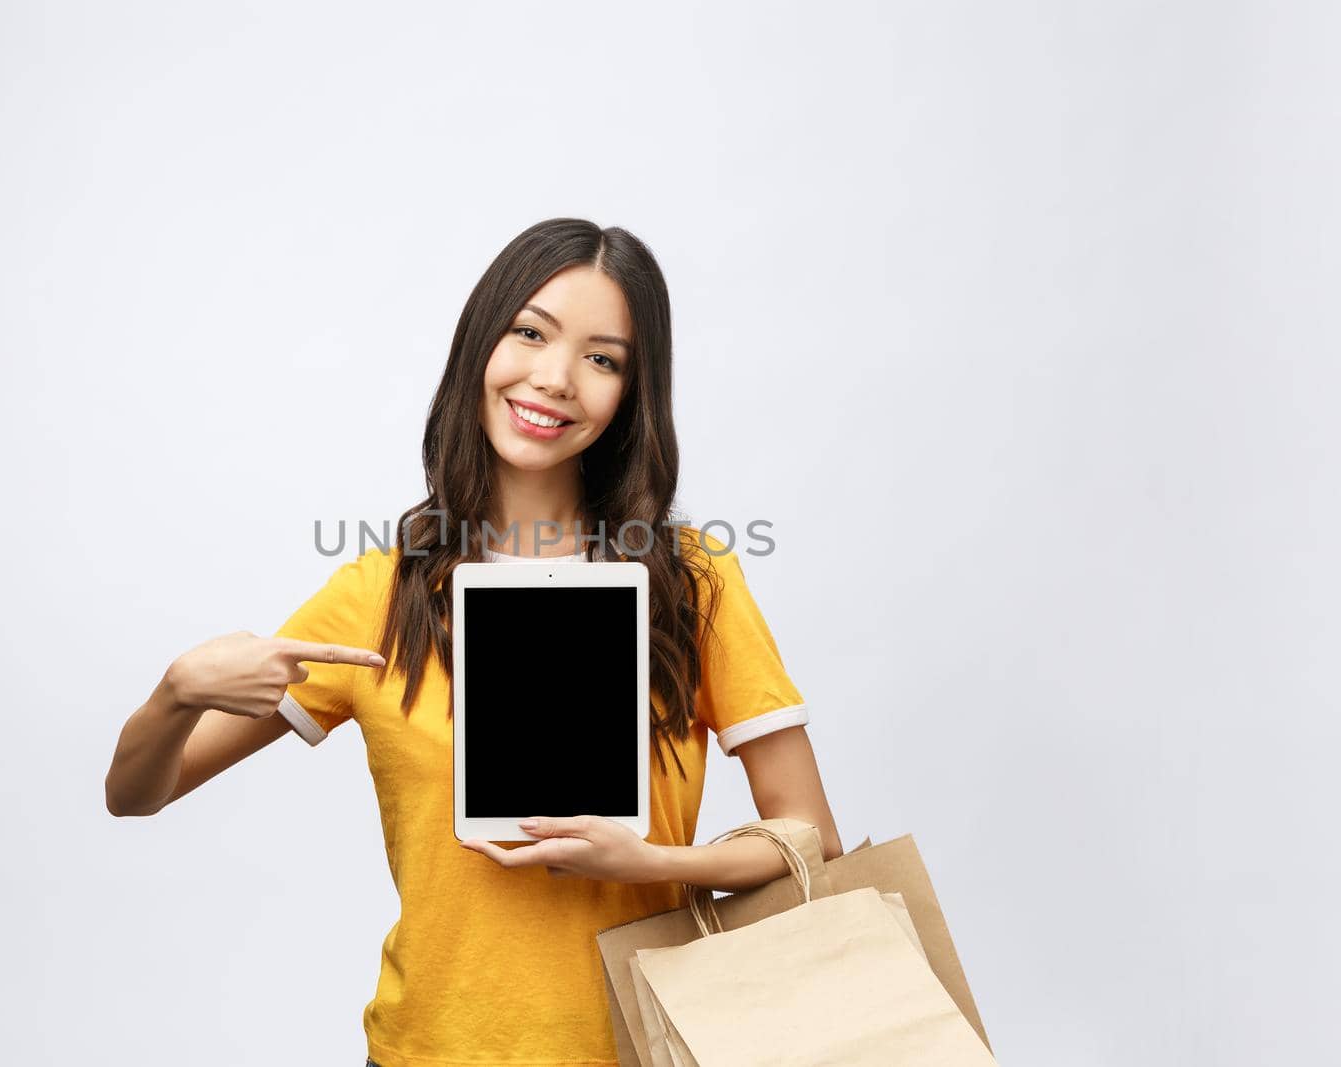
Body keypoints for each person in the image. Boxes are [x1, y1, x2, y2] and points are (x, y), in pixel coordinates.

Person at [104, 217, 844, 1067]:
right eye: (530, 332)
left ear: (632, 394)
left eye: (602, 359)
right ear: (480, 343)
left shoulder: (692, 584)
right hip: (426, 1048)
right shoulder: (378, 595)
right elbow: (136, 794)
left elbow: (808, 837)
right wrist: (176, 693)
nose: (556, 378)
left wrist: (644, 862)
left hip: (640, 1048)